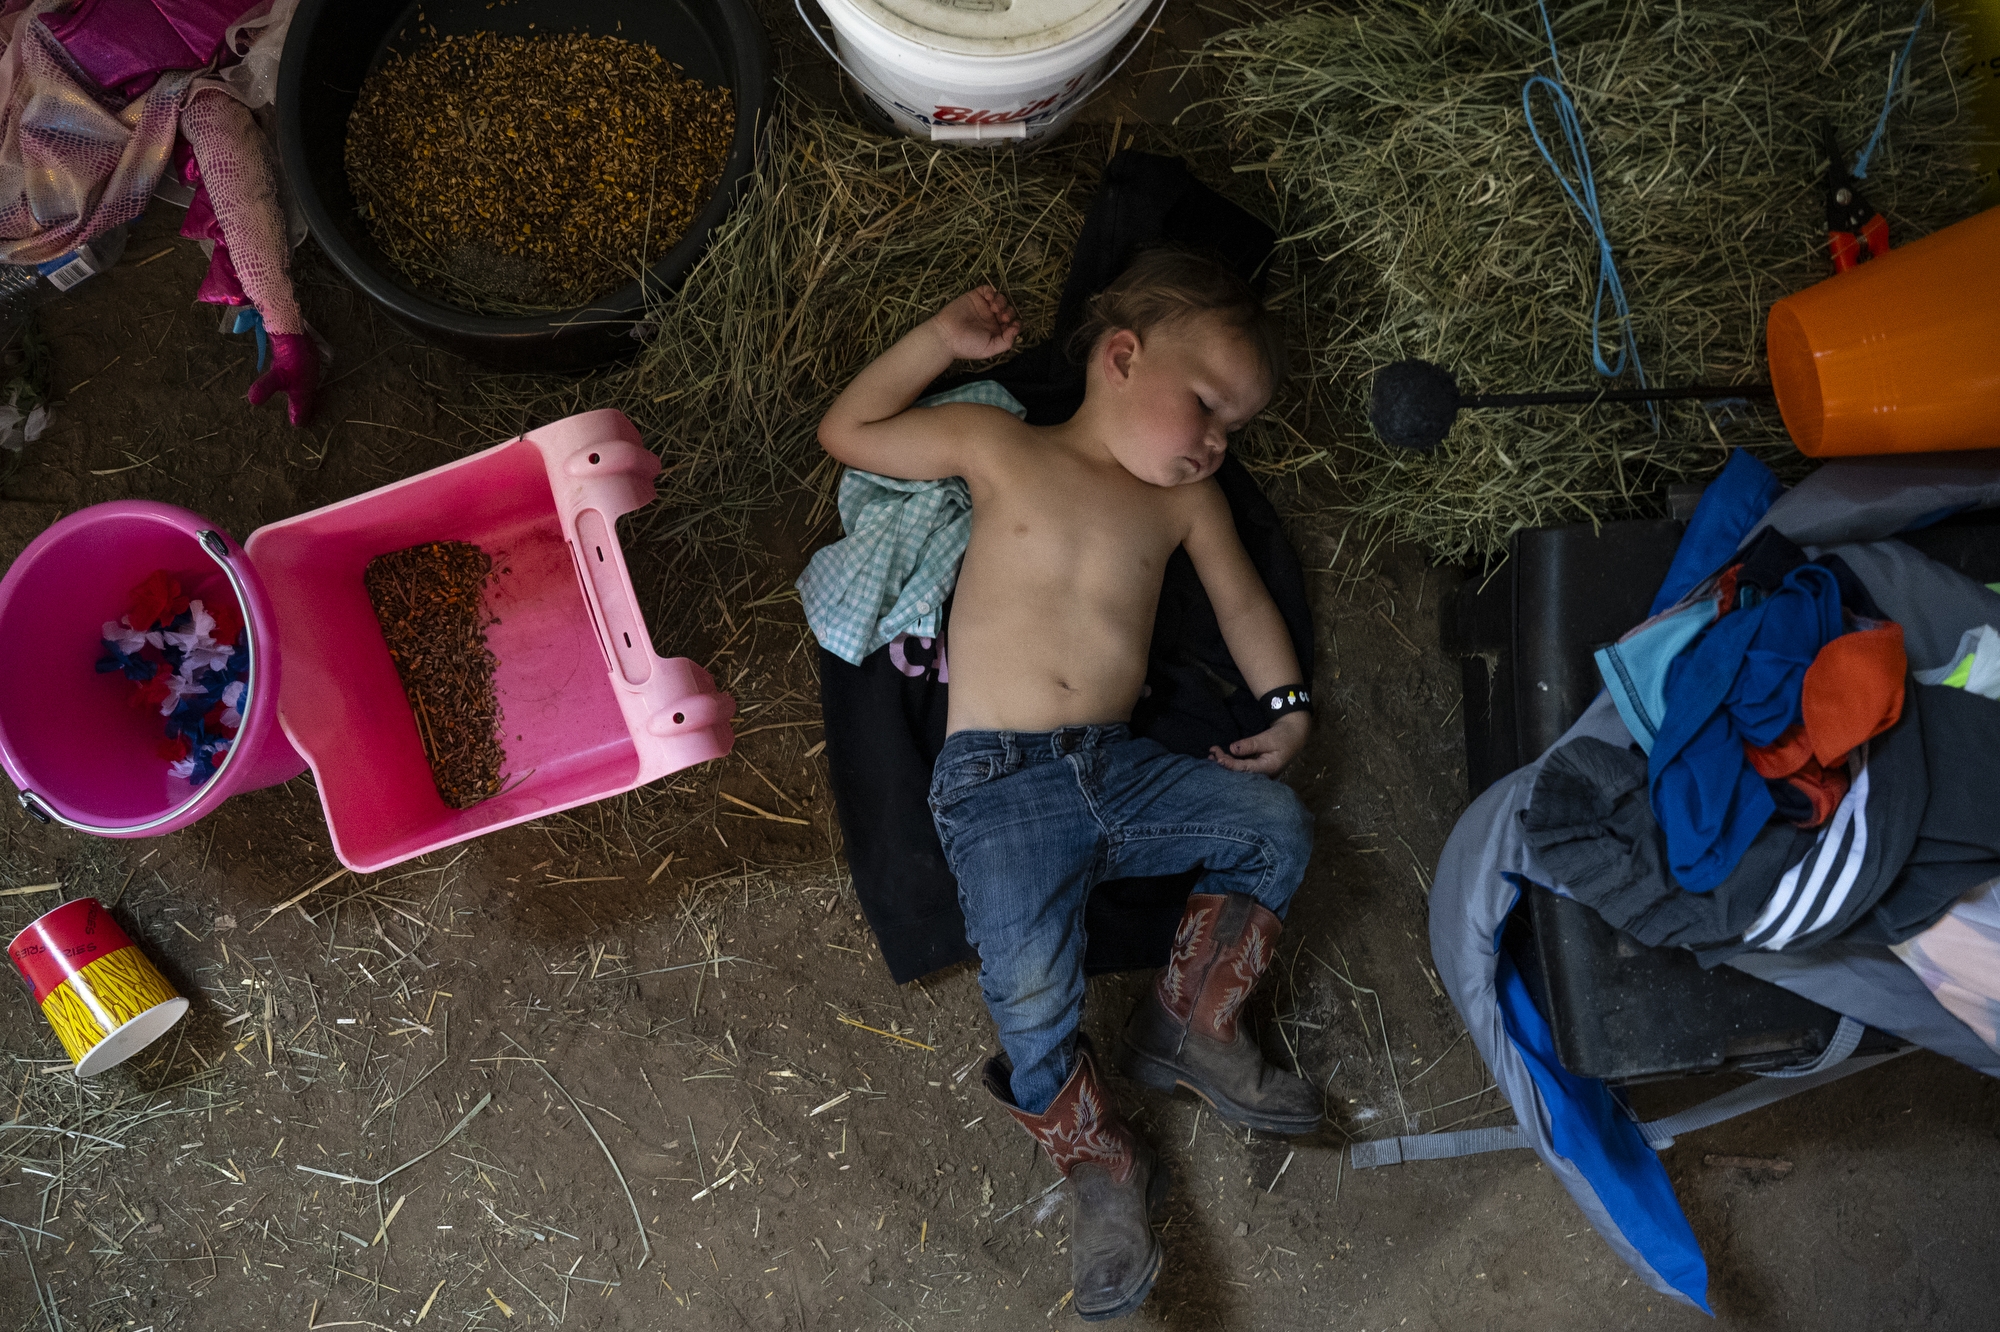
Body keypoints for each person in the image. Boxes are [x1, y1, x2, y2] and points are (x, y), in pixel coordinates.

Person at [817, 248, 1320, 1320]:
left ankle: (1189, 1024)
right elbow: (847, 434)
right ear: (1120, 359)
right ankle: (1095, 1160)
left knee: (1273, 824)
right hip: (998, 786)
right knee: (1029, 994)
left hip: (1120, 767)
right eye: (1206, 408)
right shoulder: (1002, 446)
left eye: (1235, 428)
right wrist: (939, 345)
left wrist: (1286, 708)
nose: (1218, 443)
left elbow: (1239, 607)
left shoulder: (1188, 509)